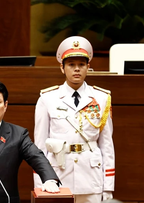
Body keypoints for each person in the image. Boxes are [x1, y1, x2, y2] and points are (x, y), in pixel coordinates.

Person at [33, 36, 115, 203]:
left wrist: (108, 185)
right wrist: (40, 182)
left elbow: (106, 145)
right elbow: (40, 146)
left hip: (91, 177)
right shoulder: (47, 99)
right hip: (57, 176)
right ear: (62, 68)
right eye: (71, 65)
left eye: (81, 65)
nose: (76, 69)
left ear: (88, 67)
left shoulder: (101, 98)